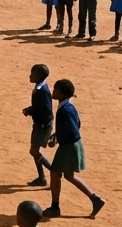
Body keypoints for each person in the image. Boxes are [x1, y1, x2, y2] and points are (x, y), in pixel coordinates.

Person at [42, 79, 106, 219]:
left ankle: (55, 207)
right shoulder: (68, 107)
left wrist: (58, 140)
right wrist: (56, 136)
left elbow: (71, 131)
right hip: (72, 144)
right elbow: (77, 124)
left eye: (55, 90)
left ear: (61, 93)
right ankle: (95, 199)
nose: (53, 92)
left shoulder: (65, 110)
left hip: (69, 146)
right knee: (68, 176)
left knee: (55, 173)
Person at [22, 63, 54, 187]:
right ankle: (42, 178)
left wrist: (32, 111)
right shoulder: (40, 87)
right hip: (41, 124)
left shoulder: (42, 91)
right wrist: (31, 109)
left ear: (39, 76)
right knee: (35, 151)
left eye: (32, 74)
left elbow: (45, 109)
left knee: (34, 151)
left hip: (42, 125)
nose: (30, 76)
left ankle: (53, 172)